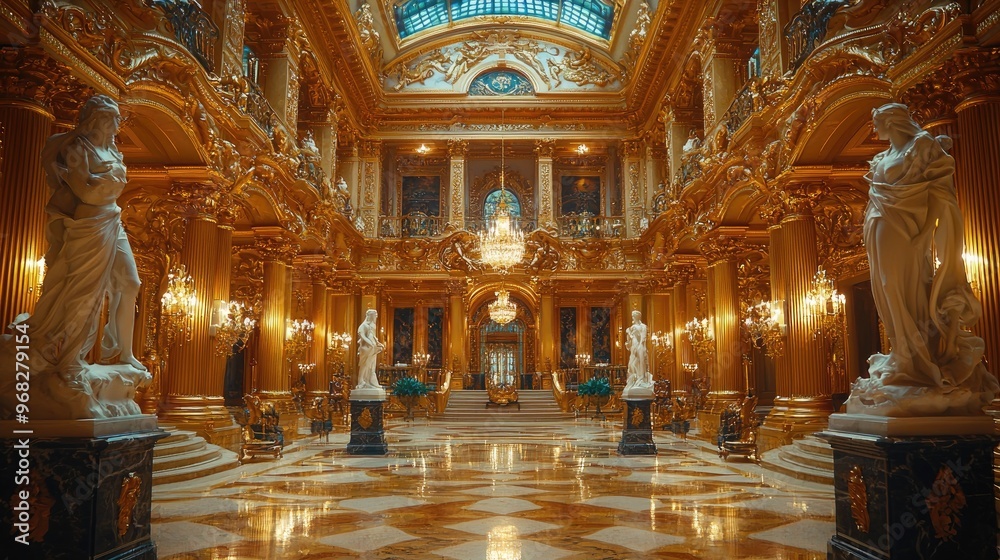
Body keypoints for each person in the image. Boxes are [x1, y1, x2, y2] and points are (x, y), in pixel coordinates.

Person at [0, 95, 149, 420]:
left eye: (116, 119)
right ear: (96, 119)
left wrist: (104, 184)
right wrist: (108, 183)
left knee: (131, 283)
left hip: (112, 218)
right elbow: (84, 191)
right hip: (88, 224)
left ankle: (123, 352)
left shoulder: (113, 150)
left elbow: (100, 187)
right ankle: (69, 363)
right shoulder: (77, 148)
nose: (116, 124)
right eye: (111, 118)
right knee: (85, 295)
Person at [849, 103, 998, 415]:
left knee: (903, 286)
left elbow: (939, 194)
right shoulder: (883, 156)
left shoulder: (921, 146)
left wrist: (926, 232)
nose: (875, 129)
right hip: (878, 222)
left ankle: (915, 357)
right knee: (885, 288)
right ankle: (901, 352)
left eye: (878, 122)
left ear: (892, 121)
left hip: (905, 226)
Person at [623, 310, 653, 396]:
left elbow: (643, 338)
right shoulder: (631, 327)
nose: (632, 317)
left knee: (641, 362)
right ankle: (634, 379)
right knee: (632, 363)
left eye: (633, 316)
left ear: (637, 317)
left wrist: (640, 346)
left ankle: (641, 379)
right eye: (632, 316)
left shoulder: (643, 326)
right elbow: (629, 340)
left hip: (640, 346)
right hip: (634, 345)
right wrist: (629, 335)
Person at [356, 309, 385, 389]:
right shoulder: (363, 325)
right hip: (366, 348)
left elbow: (373, 336)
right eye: (375, 316)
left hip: (372, 348)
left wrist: (378, 343)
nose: (376, 317)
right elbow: (362, 336)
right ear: (371, 316)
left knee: (372, 366)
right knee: (364, 364)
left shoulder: (372, 326)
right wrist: (370, 343)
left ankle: (371, 382)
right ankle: (361, 381)